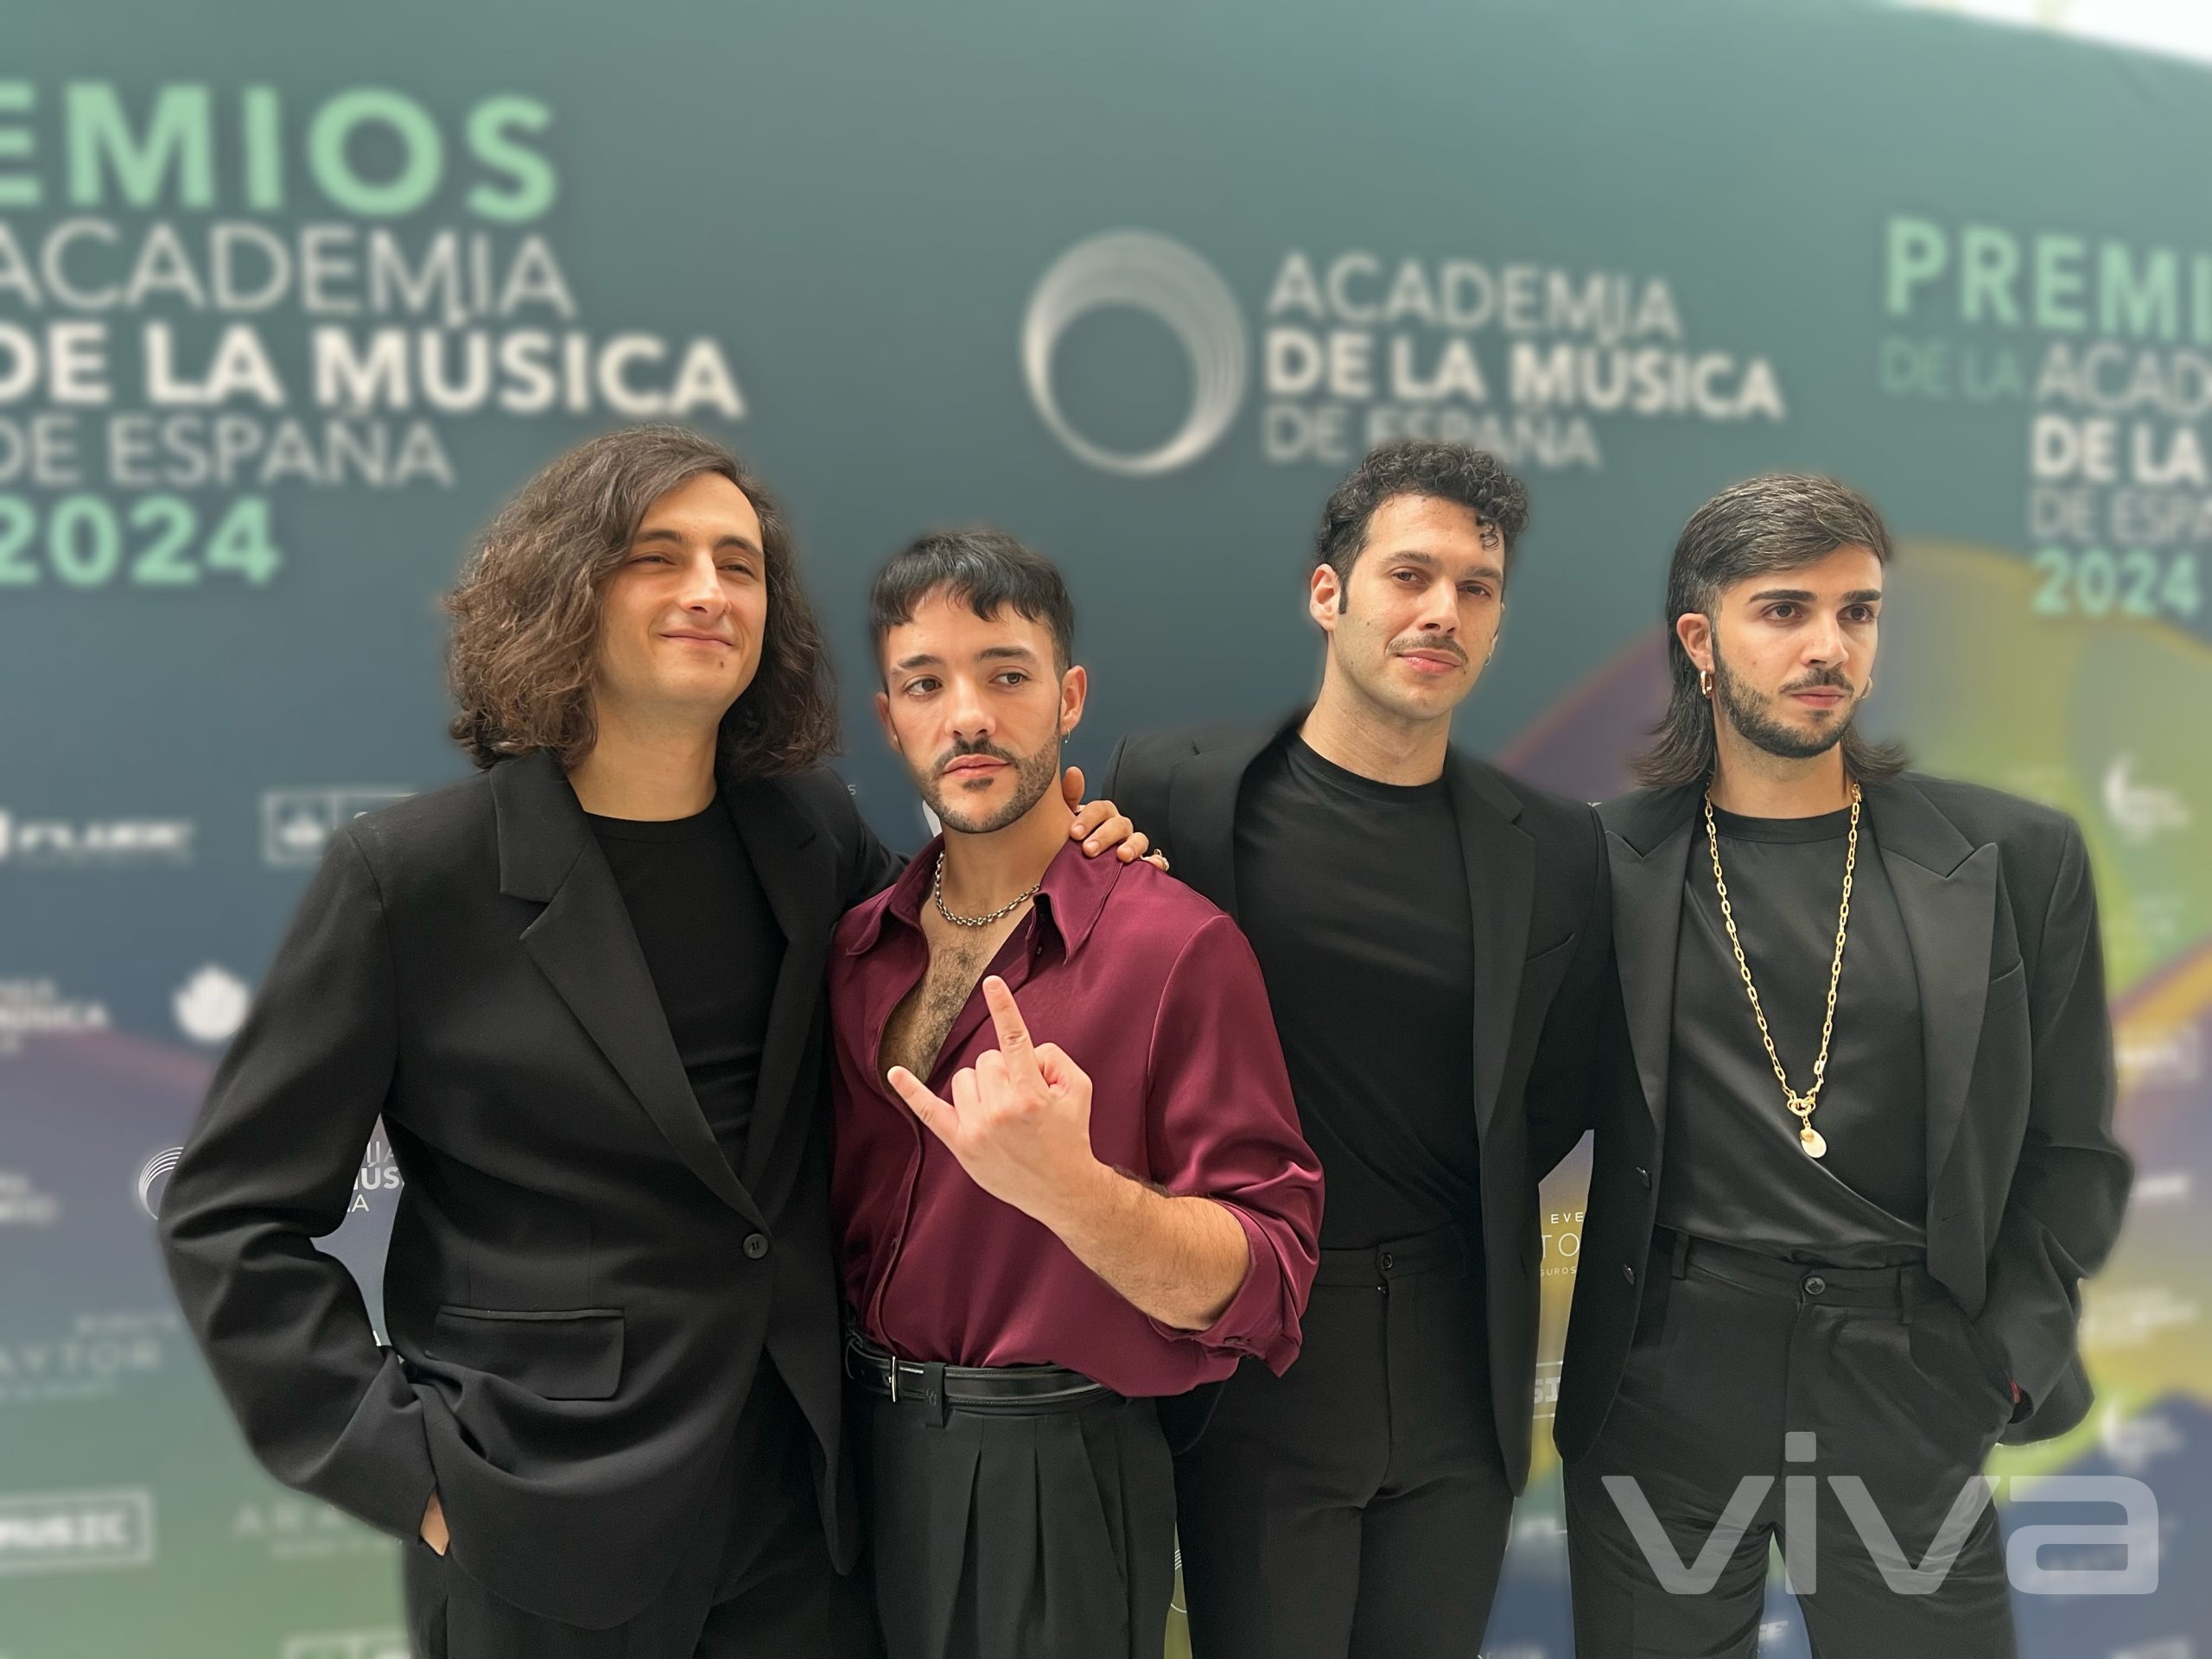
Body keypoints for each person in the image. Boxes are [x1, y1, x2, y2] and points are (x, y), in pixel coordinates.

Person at [156, 425, 1149, 1659]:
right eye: (657, 556)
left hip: (808, 1511)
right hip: (539, 1519)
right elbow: (228, 1215)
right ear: (567, 588)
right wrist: (413, 1474)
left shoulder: (810, 835)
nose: (708, 591)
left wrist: (1077, 852)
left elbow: (961, 950)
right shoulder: (411, 879)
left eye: (740, 564)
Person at [1557, 473, 2133, 1656]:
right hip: (1667, 1379)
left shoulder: (2015, 857)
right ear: (1700, 641)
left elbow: (2072, 1150)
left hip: (1911, 1372)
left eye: (1857, 611)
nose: (1830, 646)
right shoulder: (1600, 864)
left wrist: (2001, 1368)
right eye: (1785, 610)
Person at [1103, 439, 1617, 1657]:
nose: (1443, 612)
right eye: (1410, 575)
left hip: (1459, 1362)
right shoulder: (1172, 795)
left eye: (1477, 589)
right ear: (1329, 593)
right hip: (1256, 1354)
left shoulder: (1554, 851)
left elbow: (1551, 1094)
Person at [830, 528, 1322, 1659]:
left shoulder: (1175, 947)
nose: (969, 716)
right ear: (891, 720)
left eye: (1006, 674)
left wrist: (1073, 1192)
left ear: (1069, 698)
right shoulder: (855, 948)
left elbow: (1270, 1274)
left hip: (1048, 1477)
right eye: (927, 684)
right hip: (842, 1466)